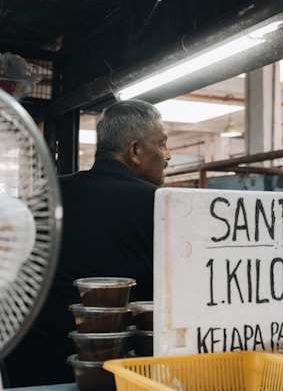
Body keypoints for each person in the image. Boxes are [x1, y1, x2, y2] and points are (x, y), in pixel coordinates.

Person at [5, 98, 171, 387]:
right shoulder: (161, 205)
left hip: (32, 373)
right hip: (123, 376)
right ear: (135, 151)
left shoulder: (44, 198)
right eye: (162, 144)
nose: (168, 156)